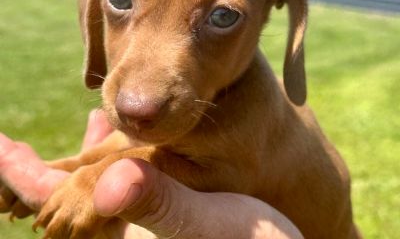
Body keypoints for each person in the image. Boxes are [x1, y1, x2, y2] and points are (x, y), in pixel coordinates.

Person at [0, 110, 303, 239]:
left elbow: (218, 169)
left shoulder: (249, 108)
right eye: (121, 0)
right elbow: (127, 144)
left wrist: (98, 177)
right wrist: (75, 168)